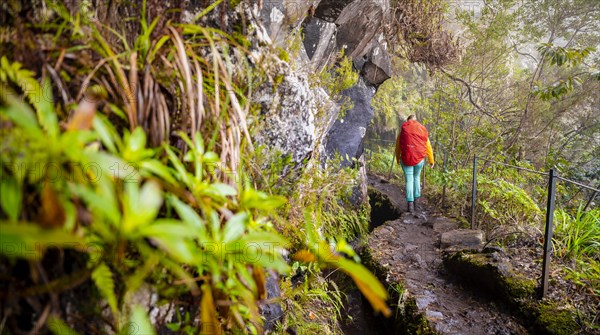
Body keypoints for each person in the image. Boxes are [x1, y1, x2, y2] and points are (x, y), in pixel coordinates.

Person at [395, 115, 435, 213]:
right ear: (416, 121)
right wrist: (431, 161)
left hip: (406, 159)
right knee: (416, 178)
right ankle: (417, 202)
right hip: (419, 159)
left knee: (409, 181)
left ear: (407, 121)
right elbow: (428, 147)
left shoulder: (403, 131)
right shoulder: (421, 130)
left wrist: (397, 158)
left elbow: (398, 146)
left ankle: (410, 206)